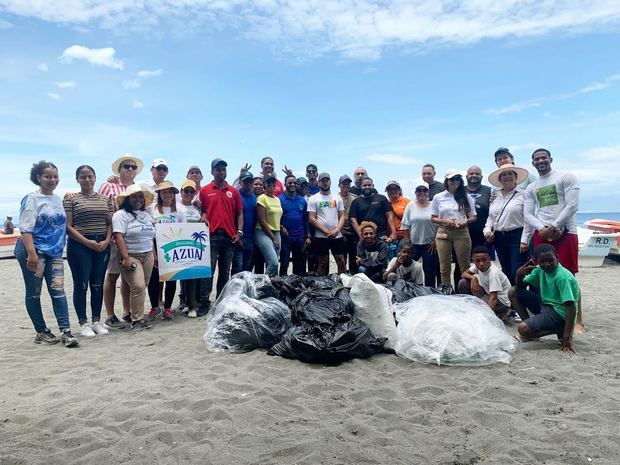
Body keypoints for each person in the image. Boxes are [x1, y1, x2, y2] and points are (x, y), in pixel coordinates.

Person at [15, 161, 79, 347]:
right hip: (33, 250)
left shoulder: (58, 199)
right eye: (47, 176)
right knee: (34, 293)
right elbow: (25, 228)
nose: (52, 180)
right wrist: (31, 254)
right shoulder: (32, 199)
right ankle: (41, 331)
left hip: (55, 252)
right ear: (38, 178)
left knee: (58, 291)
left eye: (55, 176)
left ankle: (66, 332)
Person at [523, 148, 583, 333]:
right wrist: (543, 229)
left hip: (566, 231)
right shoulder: (531, 187)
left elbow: (573, 205)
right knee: (542, 273)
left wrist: (556, 226)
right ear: (533, 162)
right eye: (536, 159)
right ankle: (548, 311)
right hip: (542, 233)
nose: (540, 161)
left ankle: (578, 319)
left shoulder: (566, 177)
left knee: (569, 276)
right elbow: (528, 214)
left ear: (550, 159)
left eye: (543, 158)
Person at [64, 165, 113, 337]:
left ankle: (96, 321)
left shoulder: (105, 199)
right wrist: (87, 242)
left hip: (102, 244)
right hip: (79, 245)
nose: (87, 180)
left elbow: (110, 223)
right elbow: (68, 226)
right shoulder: (70, 199)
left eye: (90, 176)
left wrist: (106, 241)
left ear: (95, 177)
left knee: (97, 285)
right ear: (77, 179)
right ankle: (83, 322)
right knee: (81, 285)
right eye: (83, 177)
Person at [509, 244, 579, 353]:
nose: (547, 264)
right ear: (537, 261)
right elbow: (521, 287)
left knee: (522, 329)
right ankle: (531, 330)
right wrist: (518, 275)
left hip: (560, 312)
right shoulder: (539, 270)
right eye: (542, 262)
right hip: (546, 305)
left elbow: (571, 306)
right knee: (513, 291)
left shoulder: (561, 277)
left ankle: (559, 329)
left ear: (557, 257)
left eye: (550, 260)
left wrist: (567, 337)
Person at [99, 154, 143, 329]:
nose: (130, 169)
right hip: (114, 239)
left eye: (133, 167)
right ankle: (110, 315)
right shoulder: (109, 185)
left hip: (133, 240)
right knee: (112, 275)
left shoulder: (137, 187)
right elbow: (101, 209)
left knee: (127, 278)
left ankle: (127, 312)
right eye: (126, 166)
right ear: (119, 169)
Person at [198, 158, 243, 315]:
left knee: (224, 272)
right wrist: (203, 214)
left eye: (223, 169)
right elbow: (202, 209)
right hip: (211, 236)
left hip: (229, 237)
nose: (221, 172)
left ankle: (220, 302)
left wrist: (239, 233)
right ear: (212, 172)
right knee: (208, 271)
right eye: (218, 169)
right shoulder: (204, 190)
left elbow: (239, 213)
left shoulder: (233, 191)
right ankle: (204, 302)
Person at [112, 184, 156, 331]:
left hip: (148, 254)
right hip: (131, 255)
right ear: (127, 199)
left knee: (142, 286)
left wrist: (154, 254)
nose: (138, 200)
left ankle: (133, 315)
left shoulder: (146, 215)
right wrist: (125, 258)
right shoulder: (121, 215)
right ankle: (137, 320)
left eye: (140, 197)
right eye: (134, 197)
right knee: (138, 286)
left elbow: (153, 235)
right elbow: (118, 236)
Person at [484, 163, 532, 285]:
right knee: (505, 271)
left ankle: (518, 300)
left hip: (517, 236)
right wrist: (487, 231)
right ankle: (509, 300)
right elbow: (491, 218)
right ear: (499, 179)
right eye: (503, 175)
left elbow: (529, 218)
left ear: (516, 177)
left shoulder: (524, 194)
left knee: (517, 270)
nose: (507, 177)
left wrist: (525, 239)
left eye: (510, 174)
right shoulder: (495, 196)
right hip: (499, 237)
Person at [431, 170, 477, 291]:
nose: (455, 182)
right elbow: (433, 218)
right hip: (443, 230)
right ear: (447, 181)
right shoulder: (438, 197)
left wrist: (465, 221)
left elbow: (473, 216)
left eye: (457, 179)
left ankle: (465, 290)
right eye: (452, 180)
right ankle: (447, 290)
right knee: (444, 265)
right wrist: (445, 221)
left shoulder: (466, 196)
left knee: (464, 265)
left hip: (461, 231)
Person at [147, 181, 185, 320]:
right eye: (164, 192)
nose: (167, 195)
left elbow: (184, 231)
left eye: (170, 192)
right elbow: (148, 230)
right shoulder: (151, 209)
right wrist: (153, 252)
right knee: (154, 279)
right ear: (159, 194)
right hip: (155, 245)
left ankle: (168, 308)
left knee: (171, 278)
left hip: (173, 246)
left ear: (174, 194)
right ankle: (154, 307)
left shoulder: (179, 212)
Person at [401, 180, 439, 287]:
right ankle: (409, 289)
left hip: (430, 245)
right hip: (414, 244)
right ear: (415, 192)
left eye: (424, 190)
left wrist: (435, 240)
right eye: (419, 190)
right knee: (408, 267)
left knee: (429, 270)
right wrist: (407, 242)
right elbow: (405, 225)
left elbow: (440, 225)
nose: (422, 192)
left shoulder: (434, 205)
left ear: (428, 192)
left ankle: (430, 293)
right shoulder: (410, 205)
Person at [307, 172, 346, 275]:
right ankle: (322, 286)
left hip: (337, 235)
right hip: (321, 236)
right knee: (322, 262)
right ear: (318, 183)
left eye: (326, 180)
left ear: (330, 182)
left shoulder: (337, 198)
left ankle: (342, 283)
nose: (325, 183)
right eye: (322, 181)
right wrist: (326, 231)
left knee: (341, 261)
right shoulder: (313, 198)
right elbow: (311, 218)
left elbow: (342, 215)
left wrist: (337, 230)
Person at [458, 246, 512, 320]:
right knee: (463, 283)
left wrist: (488, 318)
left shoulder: (493, 274)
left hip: (501, 302)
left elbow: (494, 298)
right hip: (488, 293)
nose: (481, 263)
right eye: (477, 261)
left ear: (489, 259)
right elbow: (464, 274)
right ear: (473, 260)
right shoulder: (478, 266)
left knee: (476, 307)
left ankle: (504, 312)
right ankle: (471, 308)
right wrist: (473, 278)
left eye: (484, 260)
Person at [176, 179, 202, 318]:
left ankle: (192, 305)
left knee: (192, 276)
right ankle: (189, 305)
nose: (189, 193)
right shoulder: (176, 207)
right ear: (181, 192)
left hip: (194, 246)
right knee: (185, 277)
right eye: (186, 191)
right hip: (180, 244)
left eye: (192, 191)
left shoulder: (197, 208)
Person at [278, 175, 310, 276]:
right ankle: (281, 287)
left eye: (294, 183)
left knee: (300, 266)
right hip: (285, 238)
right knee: (284, 264)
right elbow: (275, 218)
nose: (292, 185)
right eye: (290, 183)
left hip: (300, 238)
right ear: (285, 184)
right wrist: (281, 227)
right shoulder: (279, 199)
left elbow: (306, 220)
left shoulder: (302, 201)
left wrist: (308, 236)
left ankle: (298, 289)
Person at [349, 177, 396, 242]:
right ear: (360, 186)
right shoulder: (356, 202)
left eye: (369, 185)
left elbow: (389, 215)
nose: (367, 187)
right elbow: (353, 219)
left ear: (373, 186)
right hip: (365, 237)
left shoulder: (382, 198)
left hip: (381, 235)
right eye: (365, 185)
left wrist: (393, 232)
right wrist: (360, 234)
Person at [255, 176, 283, 277]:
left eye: (273, 185)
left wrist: (278, 233)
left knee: (276, 264)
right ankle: (262, 286)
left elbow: (277, 217)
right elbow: (262, 220)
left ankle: (272, 287)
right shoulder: (261, 198)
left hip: (277, 232)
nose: (271, 187)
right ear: (264, 186)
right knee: (273, 262)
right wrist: (273, 238)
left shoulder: (277, 200)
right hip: (263, 232)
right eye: (269, 185)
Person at [231, 171, 257, 275]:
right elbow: (232, 217)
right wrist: (237, 235)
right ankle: (234, 291)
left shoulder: (254, 197)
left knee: (247, 269)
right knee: (237, 268)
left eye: (250, 182)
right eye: (245, 182)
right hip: (239, 238)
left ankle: (245, 290)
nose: (248, 184)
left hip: (251, 239)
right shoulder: (236, 196)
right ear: (240, 183)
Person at [465, 166, 492, 250]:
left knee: (484, 262)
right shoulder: (459, 191)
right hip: (463, 234)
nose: (474, 175)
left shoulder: (489, 191)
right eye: (471, 174)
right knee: (462, 262)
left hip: (484, 234)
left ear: (482, 177)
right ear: (466, 176)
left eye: (477, 174)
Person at [338, 174, 359, 274]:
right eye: (343, 183)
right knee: (342, 259)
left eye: (348, 183)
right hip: (340, 232)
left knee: (353, 258)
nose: (346, 185)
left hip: (353, 232)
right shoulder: (335, 198)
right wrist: (340, 232)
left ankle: (353, 278)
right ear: (339, 185)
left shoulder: (355, 198)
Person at [385, 181, 410, 249]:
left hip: (404, 236)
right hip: (390, 238)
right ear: (387, 191)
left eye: (395, 188)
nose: (393, 191)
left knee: (403, 256)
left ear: (399, 190)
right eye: (390, 189)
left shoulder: (407, 202)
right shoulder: (384, 203)